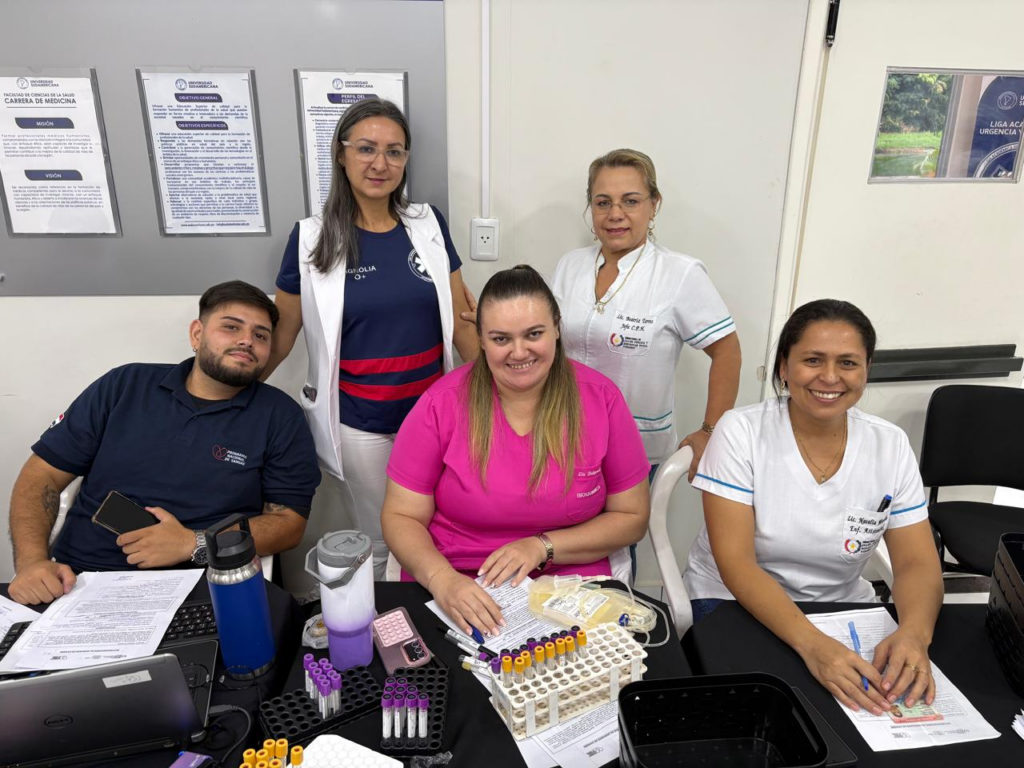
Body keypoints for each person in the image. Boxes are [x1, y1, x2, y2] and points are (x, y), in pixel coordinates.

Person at [683, 299, 943, 715]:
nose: (830, 377)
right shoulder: (741, 432)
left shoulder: (889, 444)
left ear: (867, 369)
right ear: (784, 367)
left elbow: (917, 563)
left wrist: (914, 633)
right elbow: (736, 563)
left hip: (840, 609)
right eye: (812, 360)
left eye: (848, 363)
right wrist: (813, 645)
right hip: (731, 602)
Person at [264, 98, 477, 580]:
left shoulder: (427, 224)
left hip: (436, 415)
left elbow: (464, 317)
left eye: (394, 151)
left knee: (442, 528)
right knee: (385, 535)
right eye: (366, 148)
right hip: (361, 424)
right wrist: (226, 394)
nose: (380, 163)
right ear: (341, 155)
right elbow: (282, 333)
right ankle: (386, 629)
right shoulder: (311, 238)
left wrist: (494, 391)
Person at [8, 281, 321, 605]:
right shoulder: (124, 386)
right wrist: (31, 563)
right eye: (231, 327)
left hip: (203, 587)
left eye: (261, 335)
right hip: (80, 580)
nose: (246, 341)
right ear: (197, 335)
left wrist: (194, 542)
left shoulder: (281, 416)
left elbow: (288, 524)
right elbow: (40, 476)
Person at [381, 265, 651, 636]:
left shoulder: (601, 400)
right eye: (500, 339)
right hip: (458, 579)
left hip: (568, 579)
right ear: (480, 339)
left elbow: (632, 516)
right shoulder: (440, 405)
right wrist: (442, 580)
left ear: (557, 327)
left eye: (534, 334)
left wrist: (543, 547)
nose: (518, 352)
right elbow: (401, 515)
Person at [551, 149, 741, 485]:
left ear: (654, 205)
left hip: (634, 449)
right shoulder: (570, 265)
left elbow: (727, 351)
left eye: (631, 201)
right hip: (560, 436)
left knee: (616, 537)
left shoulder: (680, 273)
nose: (615, 214)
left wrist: (710, 431)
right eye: (603, 202)